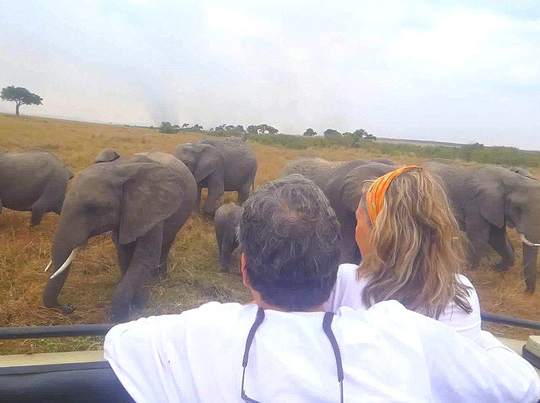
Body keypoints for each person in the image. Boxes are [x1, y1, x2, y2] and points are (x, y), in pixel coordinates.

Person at [105, 175, 539, 402]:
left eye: (361, 219)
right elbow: (521, 386)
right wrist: (481, 341)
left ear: (244, 269)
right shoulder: (411, 335)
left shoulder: (202, 331)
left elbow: (119, 341)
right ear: (332, 268)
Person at [324, 166, 482, 340]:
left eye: (358, 221)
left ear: (379, 233)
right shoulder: (462, 294)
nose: (356, 230)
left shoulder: (343, 281)